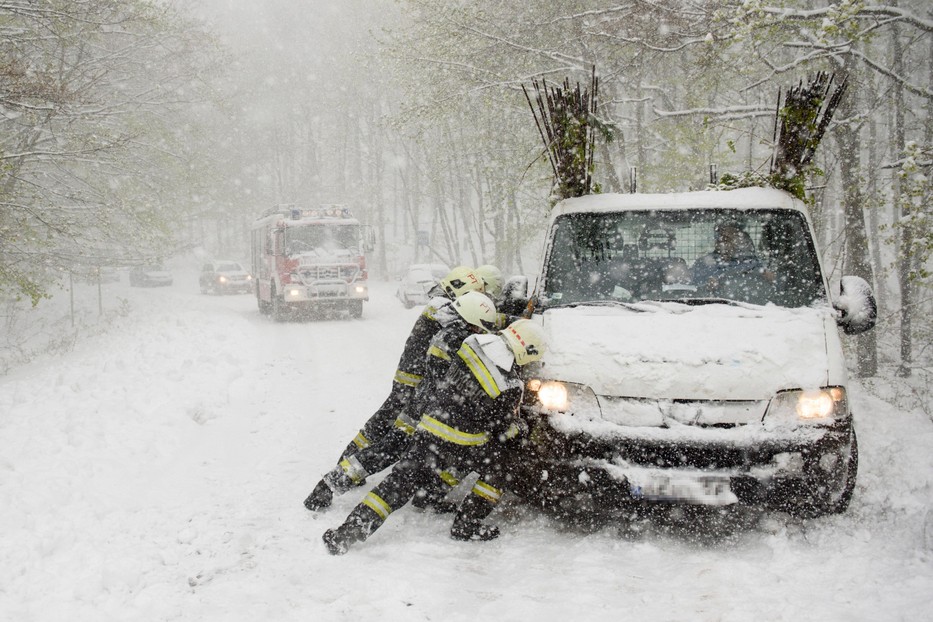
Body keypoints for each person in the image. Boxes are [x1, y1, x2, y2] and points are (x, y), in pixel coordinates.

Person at [322, 318, 548, 555]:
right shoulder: (510, 384)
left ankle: (347, 532)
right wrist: (520, 428)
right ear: (527, 350)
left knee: (398, 484)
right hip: (463, 443)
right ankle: (466, 524)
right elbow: (499, 429)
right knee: (499, 466)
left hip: (429, 429)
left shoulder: (472, 343)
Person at [302, 266, 485, 511]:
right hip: (413, 386)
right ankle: (337, 476)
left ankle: (337, 475)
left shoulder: (443, 306)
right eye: (473, 295)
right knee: (389, 440)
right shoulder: (442, 309)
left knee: (386, 436)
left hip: (416, 386)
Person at [692, 220, 766, 296]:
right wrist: (706, 286)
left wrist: (766, 275)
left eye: (730, 238)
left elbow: (766, 280)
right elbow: (693, 289)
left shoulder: (752, 262)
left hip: (747, 305)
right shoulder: (703, 263)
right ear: (716, 240)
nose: (724, 242)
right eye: (722, 238)